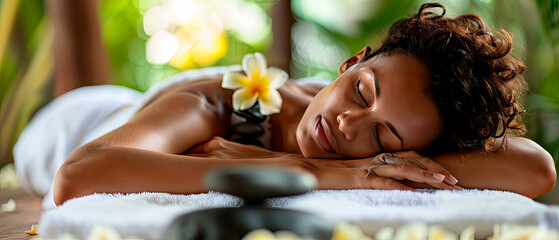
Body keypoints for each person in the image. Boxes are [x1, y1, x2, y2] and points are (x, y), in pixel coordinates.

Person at [15, 3, 556, 208]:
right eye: (363, 90)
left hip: (138, 123)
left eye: (384, 139)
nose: (347, 122)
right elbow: (78, 174)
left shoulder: (396, 134)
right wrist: (316, 172)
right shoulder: (226, 101)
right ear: (351, 62)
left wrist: (243, 161)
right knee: (78, 85)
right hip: (75, 122)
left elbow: (535, 168)